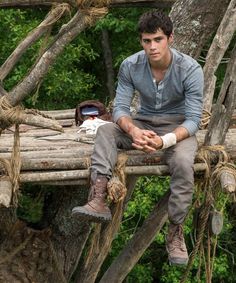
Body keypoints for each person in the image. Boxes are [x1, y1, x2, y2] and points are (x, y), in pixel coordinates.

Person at [72, 10, 204, 266]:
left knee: (183, 163)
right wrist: (134, 131)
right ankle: (98, 198)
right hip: (142, 122)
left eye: (158, 40)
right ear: (141, 41)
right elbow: (120, 108)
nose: (152, 47)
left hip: (177, 128)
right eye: (147, 41)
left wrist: (163, 141)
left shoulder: (190, 69)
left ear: (170, 38)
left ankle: (175, 230)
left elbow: (193, 121)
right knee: (105, 131)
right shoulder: (130, 65)